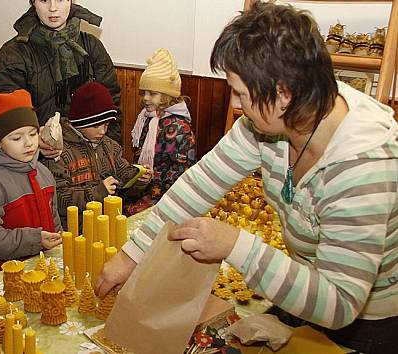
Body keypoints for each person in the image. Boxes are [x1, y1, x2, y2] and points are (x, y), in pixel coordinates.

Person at [96, 2, 398, 353]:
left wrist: (235, 245)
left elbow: (338, 303)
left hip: (369, 323)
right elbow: (198, 184)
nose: (237, 104)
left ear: (283, 94)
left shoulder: (363, 164)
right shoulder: (272, 122)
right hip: (300, 287)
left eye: (240, 93)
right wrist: (131, 255)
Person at [0, 0, 122, 157]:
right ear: (33, 2)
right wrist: (36, 141)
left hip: (90, 158)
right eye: (44, 0)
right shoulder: (14, 54)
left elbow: (111, 106)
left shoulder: (91, 46)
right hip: (38, 160)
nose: (53, 8)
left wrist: (111, 156)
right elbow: (9, 118)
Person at [0, 89, 62, 279]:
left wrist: (57, 236)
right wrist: (34, 240)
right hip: (4, 278)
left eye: (33, 134)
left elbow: (53, 218)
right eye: (17, 138)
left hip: (42, 270)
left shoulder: (44, 173)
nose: (28, 143)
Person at [45, 81, 152, 224]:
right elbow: (59, 200)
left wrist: (139, 179)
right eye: (96, 125)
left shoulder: (110, 146)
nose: (102, 131)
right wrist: (98, 192)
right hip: (76, 231)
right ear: (79, 122)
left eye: (106, 125)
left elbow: (125, 183)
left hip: (109, 223)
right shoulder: (57, 152)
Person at [125, 48, 196, 215]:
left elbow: (179, 172)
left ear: (168, 96)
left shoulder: (179, 128)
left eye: (153, 94)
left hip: (166, 195)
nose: (146, 98)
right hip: (144, 187)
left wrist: (151, 179)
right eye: (144, 93)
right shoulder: (146, 119)